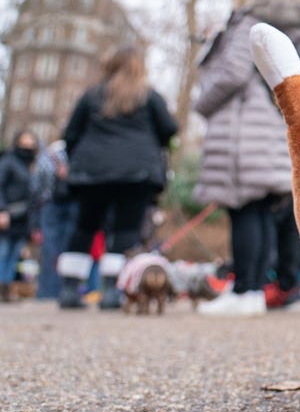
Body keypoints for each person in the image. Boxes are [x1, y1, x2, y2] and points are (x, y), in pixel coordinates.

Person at [192, 0, 300, 317]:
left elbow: (233, 71)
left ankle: (245, 289)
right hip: (268, 127)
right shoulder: (285, 27)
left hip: (242, 128)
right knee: (260, 210)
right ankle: (253, 289)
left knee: (244, 209)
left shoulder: (246, 20)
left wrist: (201, 103)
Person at [58, 47, 178, 310]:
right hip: (136, 172)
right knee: (126, 229)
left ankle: (69, 290)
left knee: (85, 226)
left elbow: (71, 133)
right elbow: (169, 129)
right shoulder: (149, 96)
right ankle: (112, 291)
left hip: (92, 172)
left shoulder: (92, 95)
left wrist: (78, 160)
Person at [33, 139, 76, 299]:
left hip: (49, 203)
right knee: (65, 251)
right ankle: (61, 292)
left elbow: (38, 183)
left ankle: (46, 293)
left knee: (50, 250)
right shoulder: (76, 150)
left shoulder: (50, 152)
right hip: (69, 203)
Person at [0, 130, 39, 302]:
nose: (29, 144)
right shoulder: (9, 161)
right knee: (3, 252)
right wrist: (2, 211)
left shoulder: (31, 165)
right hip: (8, 215)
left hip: (23, 218)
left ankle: (7, 289)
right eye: (26, 140)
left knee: (14, 255)